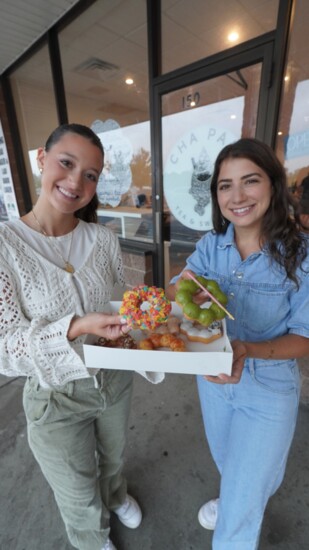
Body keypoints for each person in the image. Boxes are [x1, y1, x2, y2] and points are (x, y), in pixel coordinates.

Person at [0, 123, 143, 550]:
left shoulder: (102, 238)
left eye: (91, 175)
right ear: (41, 161)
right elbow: (5, 349)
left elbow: (120, 302)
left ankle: (115, 496)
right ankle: (92, 538)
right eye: (67, 163)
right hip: (55, 396)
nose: (76, 181)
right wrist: (75, 327)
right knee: (77, 491)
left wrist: (144, 316)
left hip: (114, 380)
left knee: (113, 459)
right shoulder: (6, 245)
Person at [167, 138, 309, 549]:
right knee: (231, 463)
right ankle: (236, 492)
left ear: (274, 185)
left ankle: (239, 504)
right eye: (225, 186)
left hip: (268, 387)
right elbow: (183, 285)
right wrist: (180, 290)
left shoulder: (300, 255)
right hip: (213, 382)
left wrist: (247, 350)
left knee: (242, 509)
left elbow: (304, 337)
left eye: (250, 181)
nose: (237, 196)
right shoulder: (213, 244)